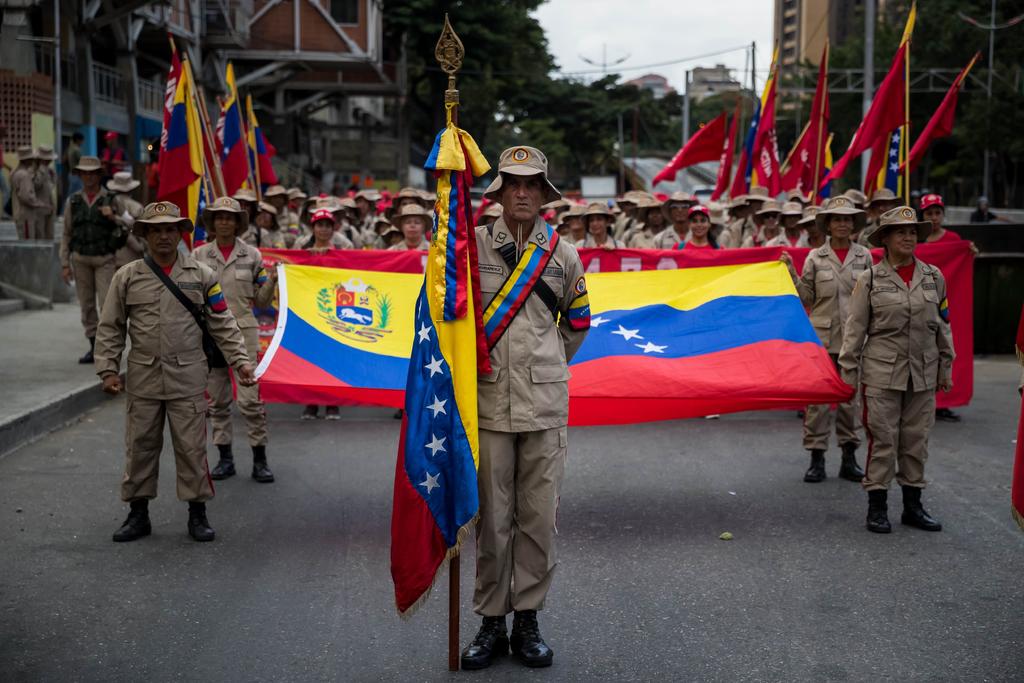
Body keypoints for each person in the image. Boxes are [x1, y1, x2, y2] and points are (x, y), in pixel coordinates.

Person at [462, 145, 589, 670]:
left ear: (542, 194)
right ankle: (492, 621)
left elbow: (577, 324)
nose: (521, 192)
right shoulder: (468, 248)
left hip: (544, 405)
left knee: (537, 520)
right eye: (513, 183)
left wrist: (546, 363)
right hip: (488, 403)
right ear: (498, 192)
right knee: (492, 522)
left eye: (531, 184)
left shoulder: (563, 254)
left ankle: (528, 618)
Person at [94, 201, 256, 543]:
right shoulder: (127, 276)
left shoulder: (203, 275)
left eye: (170, 229)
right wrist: (108, 370)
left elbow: (223, 323)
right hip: (144, 377)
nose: (164, 236)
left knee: (191, 448)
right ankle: (138, 514)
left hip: (188, 378)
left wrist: (241, 361)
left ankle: (197, 514)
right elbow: (111, 326)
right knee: (140, 446)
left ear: (181, 233)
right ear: (145, 235)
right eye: (156, 230)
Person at [838, 206, 955, 534]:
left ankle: (913, 506)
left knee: (916, 440)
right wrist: (848, 373)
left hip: (923, 372)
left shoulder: (933, 276)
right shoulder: (871, 278)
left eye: (912, 232)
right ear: (886, 239)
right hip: (882, 373)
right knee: (884, 440)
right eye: (900, 232)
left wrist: (946, 365)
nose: (908, 237)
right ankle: (877, 506)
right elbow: (855, 329)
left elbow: (942, 325)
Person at [781, 195, 871, 483]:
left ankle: (849, 457)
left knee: (849, 401)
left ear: (853, 224)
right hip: (822, 339)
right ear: (828, 225)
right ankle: (816, 458)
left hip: (853, 339)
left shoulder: (865, 256)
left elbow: (872, 299)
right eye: (837, 219)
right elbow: (807, 297)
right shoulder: (815, 257)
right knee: (817, 403)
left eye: (847, 219)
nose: (842, 224)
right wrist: (791, 274)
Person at [193, 196, 277, 483]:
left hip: (244, 333)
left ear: (238, 223)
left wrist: (273, 280)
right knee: (217, 400)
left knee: (250, 400)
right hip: (211, 334)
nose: (224, 222)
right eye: (219, 217)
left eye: (229, 218)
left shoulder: (252, 255)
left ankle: (260, 460)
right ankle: (225, 459)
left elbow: (262, 301)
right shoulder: (198, 256)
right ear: (212, 223)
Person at [60, 155, 126, 363]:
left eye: (92, 173)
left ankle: (108, 348)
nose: (88, 177)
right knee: (86, 306)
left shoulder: (112, 199)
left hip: (105, 259)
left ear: (99, 175)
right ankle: (93, 346)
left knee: (107, 305)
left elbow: (129, 224)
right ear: (80, 175)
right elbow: (66, 233)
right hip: (80, 259)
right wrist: (64, 264)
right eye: (84, 173)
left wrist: (113, 216)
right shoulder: (73, 201)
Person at [106, 171, 146, 267]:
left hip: (110, 255)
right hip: (132, 256)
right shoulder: (137, 207)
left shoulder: (107, 206)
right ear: (131, 189)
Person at [11, 147, 47, 239]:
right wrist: (39, 203)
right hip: (26, 216)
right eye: (31, 159)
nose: (33, 161)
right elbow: (26, 197)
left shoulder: (16, 172)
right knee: (28, 242)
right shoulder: (24, 175)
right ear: (27, 160)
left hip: (20, 214)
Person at [33, 145, 57, 239]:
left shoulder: (48, 170)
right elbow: (36, 185)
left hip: (49, 206)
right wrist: (41, 171)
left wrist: (53, 176)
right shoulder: (35, 170)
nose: (50, 161)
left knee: (50, 235)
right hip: (39, 208)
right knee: (40, 235)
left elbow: (51, 186)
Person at [65, 132, 84, 197]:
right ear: (78, 140)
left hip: (71, 173)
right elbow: (82, 162)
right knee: (78, 193)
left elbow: (64, 160)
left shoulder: (69, 148)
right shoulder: (76, 150)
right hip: (77, 175)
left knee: (72, 193)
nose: (82, 143)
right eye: (82, 141)